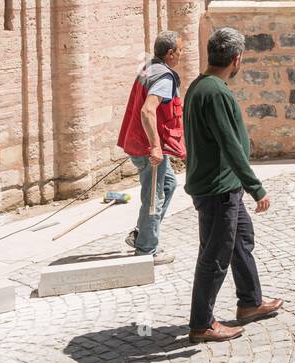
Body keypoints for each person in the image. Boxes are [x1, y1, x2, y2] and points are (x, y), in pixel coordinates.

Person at [183, 26, 283, 343]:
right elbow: (230, 146)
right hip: (218, 190)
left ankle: (250, 302)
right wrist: (256, 187)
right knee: (215, 255)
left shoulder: (202, 86)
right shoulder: (214, 92)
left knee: (241, 240)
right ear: (236, 59)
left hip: (223, 187)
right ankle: (201, 324)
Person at [116, 31, 185, 264]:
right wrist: (155, 146)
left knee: (168, 184)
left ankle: (141, 235)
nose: (181, 56)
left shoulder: (149, 68)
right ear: (170, 53)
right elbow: (147, 110)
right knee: (154, 196)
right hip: (148, 147)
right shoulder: (164, 78)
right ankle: (147, 249)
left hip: (137, 141)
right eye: (180, 51)